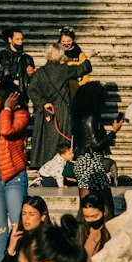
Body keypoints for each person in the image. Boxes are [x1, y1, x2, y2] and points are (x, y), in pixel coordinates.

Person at [0, 82, 31, 262]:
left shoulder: (21, 115)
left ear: (5, 99)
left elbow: (7, 131)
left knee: (18, 229)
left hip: (14, 179)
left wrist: (7, 109)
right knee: (0, 231)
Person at [70, 80, 123, 200]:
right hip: (91, 163)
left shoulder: (77, 118)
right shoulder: (90, 118)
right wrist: (114, 132)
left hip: (81, 162)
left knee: (86, 202)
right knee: (105, 201)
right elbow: (96, 145)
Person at [27, 44, 73, 176]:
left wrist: (42, 103)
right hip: (61, 109)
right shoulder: (64, 69)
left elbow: (31, 90)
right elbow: (84, 68)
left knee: (45, 139)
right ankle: (61, 165)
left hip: (46, 110)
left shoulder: (41, 72)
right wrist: (88, 58)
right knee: (61, 138)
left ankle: (42, 163)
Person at [0, 26, 36, 101]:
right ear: (10, 40)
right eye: (17, 39)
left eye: (22, 39)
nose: (20, 42)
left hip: (20, 97)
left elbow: (32, 82)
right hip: (2, 97)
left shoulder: (27, 59)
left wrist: (31, 75)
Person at [58, 25, 94, 93]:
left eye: (69, 41)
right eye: (63, 41)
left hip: (74, 89)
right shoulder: (55, 54)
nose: (66, 44)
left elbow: (86, 74)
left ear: (73, 40)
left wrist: (79, 85)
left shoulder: (80, 54)